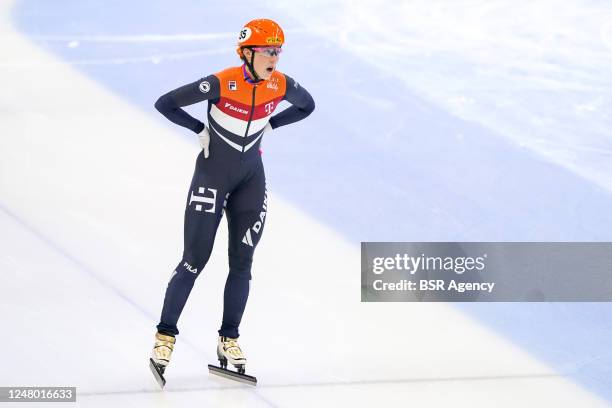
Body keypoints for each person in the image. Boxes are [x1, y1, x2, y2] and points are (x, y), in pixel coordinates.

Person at [149, 18, 315, 378]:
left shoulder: (280, 84)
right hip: (212, 175)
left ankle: (229, 338)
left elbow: (307, 106)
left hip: (250, 179)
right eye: (268, 51)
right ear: (247, 52)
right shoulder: (223, 82)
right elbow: (166, 103)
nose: (275, 57)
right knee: (194, 260)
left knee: (242, 264)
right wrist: (198, 128)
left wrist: (272, 125)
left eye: (278, 51)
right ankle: (165, 337)